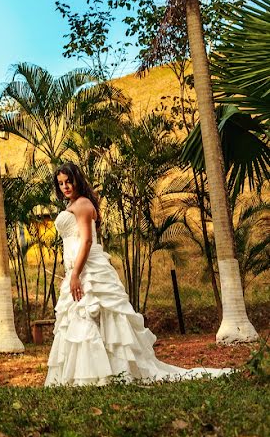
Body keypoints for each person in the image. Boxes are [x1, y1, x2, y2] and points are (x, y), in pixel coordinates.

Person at [44, 162, 231, 386]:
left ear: (77, 180)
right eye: (61, 183)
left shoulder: (83, 204)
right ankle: (90, 373)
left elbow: (86, 240)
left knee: (98, 316)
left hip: (88, 268)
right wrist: (72, 273)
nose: (65, 186)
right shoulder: (73, 203)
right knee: (83, 319)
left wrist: (76, 273)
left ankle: (108, 373)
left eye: (68, 181)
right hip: (78, 268)